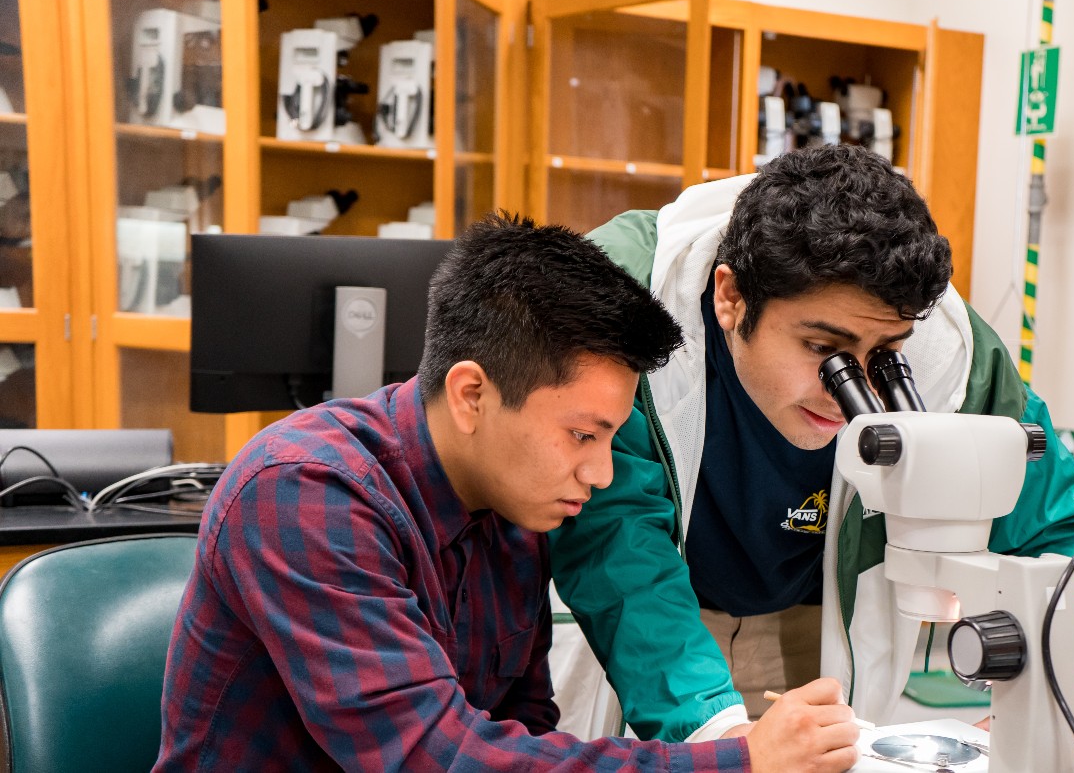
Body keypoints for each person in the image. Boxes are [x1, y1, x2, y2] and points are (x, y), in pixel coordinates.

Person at [155, 214, 861, 772]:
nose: (603, 474)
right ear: (472, 395)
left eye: (613, 439)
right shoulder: (306, 494)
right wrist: (736, 762)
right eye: (583, 435)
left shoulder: (511, 503)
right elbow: (435, 758)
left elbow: (522, 731)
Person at [548, 144, 1074, 742]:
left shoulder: (950, 353)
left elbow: (1060, 532)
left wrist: (1044, 706)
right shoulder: (627, 301)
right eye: (824, 350)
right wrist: (715, 733)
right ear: (730, 296)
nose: (847, 394)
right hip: (654, 610)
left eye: (885, 357)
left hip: (810, 614)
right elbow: (617, 542)